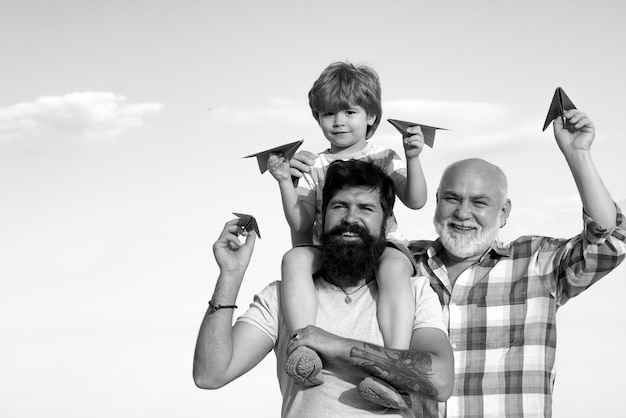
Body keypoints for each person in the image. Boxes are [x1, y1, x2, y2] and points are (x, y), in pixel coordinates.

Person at [290, 109, 626, 417]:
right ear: (436, 202)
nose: (463, 213)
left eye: (479, 202)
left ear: (504, 212)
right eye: (452, 198)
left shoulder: (537, 263)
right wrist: (304, 187)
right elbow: (335, 252)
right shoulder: (401, 264)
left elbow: (610, 241)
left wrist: (578, 154)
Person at [193, 160, 454, 417]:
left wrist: (330, 344)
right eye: (340, 206)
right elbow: (210, 374)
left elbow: (441, 382)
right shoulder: (282, 296)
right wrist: (230, 275)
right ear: (321, 220)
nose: (351, 217)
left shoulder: (414, 292)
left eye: (366, 209)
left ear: (386, 226)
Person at [267, 62, 429, 379]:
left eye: (349, 113)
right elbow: (301, 224)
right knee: (294, 259)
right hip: (331, 247)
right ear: (318, 118)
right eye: (329, 114)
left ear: (370, 116)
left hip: (380, 245)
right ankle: (304, 346)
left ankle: (395, 361)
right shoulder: (316, 164)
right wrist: (285, 182)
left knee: (394, 268)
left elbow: (416, 199)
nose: (339, 122)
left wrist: (413, 158)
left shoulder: (383, 157)